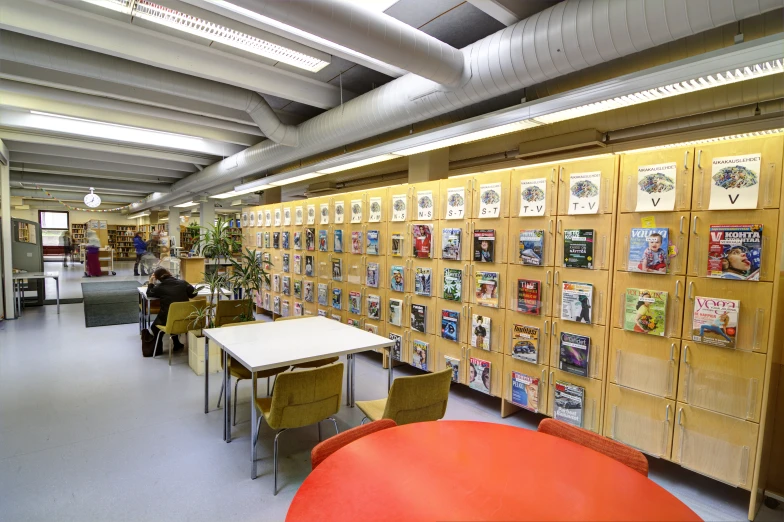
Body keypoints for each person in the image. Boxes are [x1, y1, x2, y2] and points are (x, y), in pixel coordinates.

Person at [147, 268, 198, 354]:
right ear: (169, 273)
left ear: (157, 278)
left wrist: (151, 282)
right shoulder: (183, 283)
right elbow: (194, 293)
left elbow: (149, 293)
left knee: (155, 327)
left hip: (168, 319)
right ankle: (177, 343)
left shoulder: (160, 287)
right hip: (185, 318)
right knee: (174, 318)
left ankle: (157, 350)